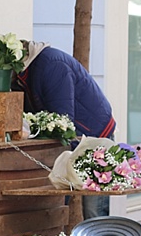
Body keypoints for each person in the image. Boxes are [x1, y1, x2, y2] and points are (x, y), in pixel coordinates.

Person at [14, 41, 117, 220]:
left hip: (95, 136)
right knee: (63, 199)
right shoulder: (29, 72)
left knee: (94, 208)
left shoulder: (52, 66)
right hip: (78, 135)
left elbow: (63, 118)